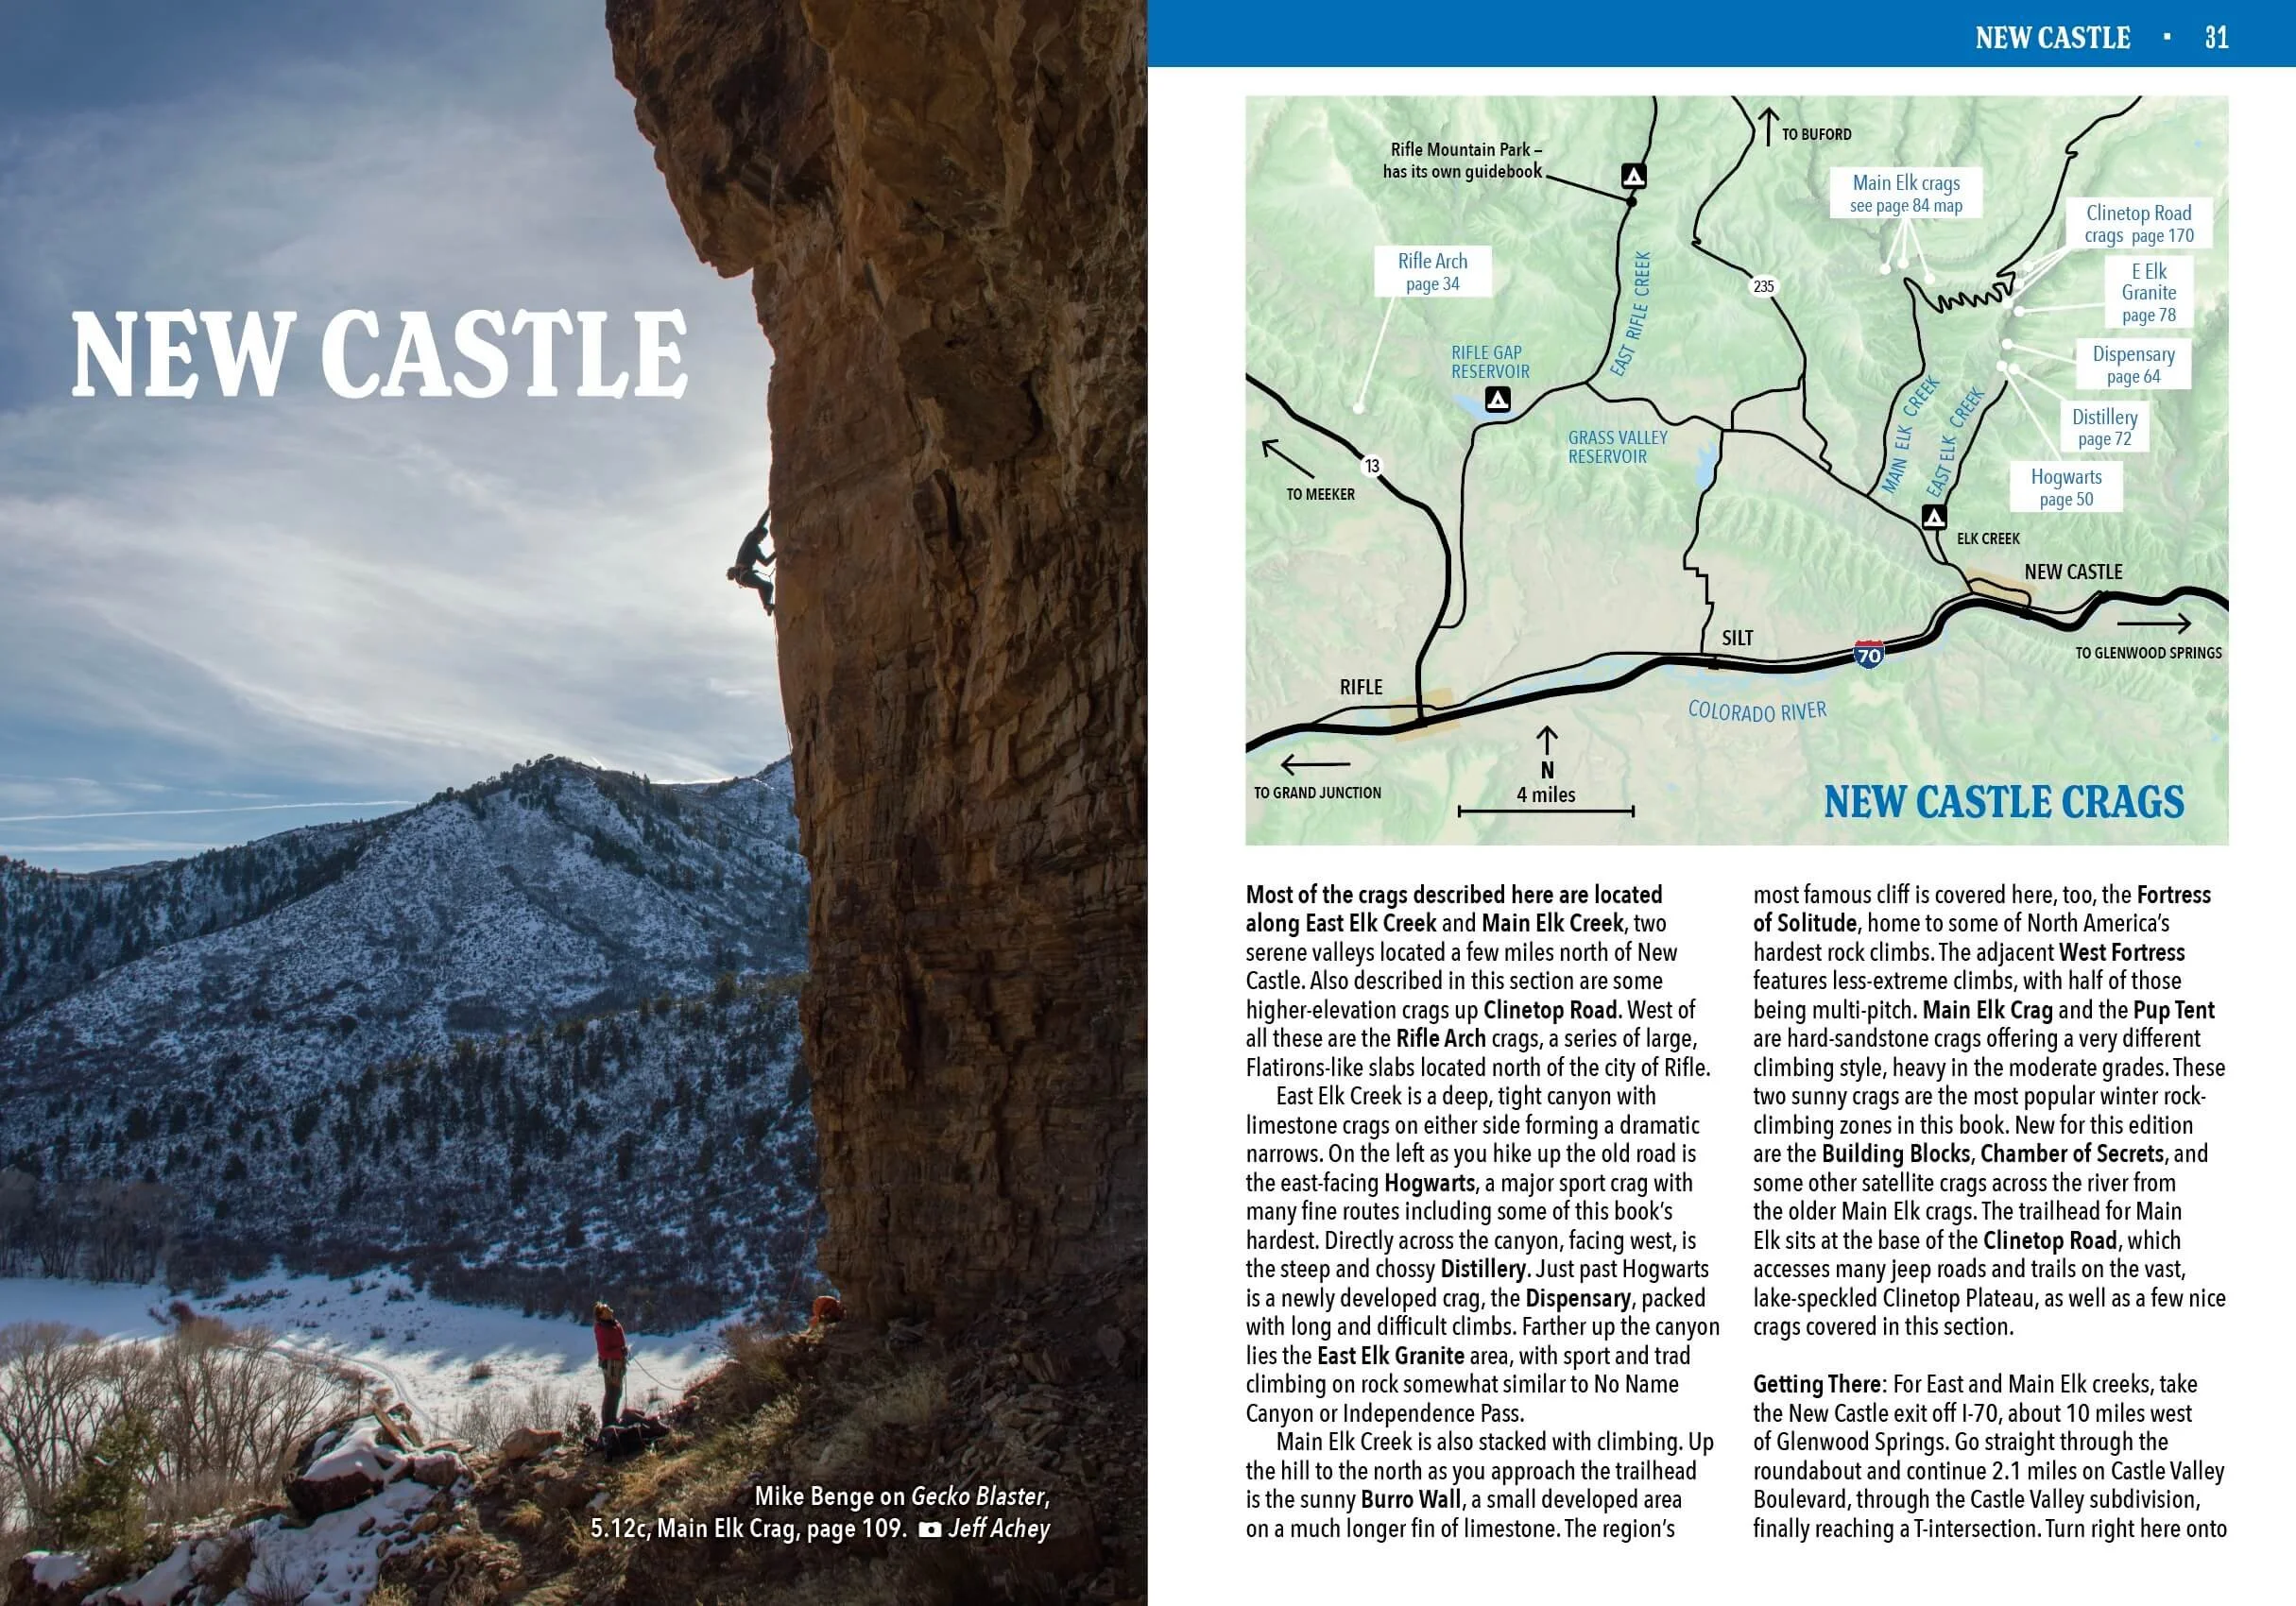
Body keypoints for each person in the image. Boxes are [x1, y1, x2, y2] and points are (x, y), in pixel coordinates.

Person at [728, 509, 776, 615]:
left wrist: (776, 553)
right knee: (765, 586)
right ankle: (767, 605)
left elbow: (766, 562)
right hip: (744, 575)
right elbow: (760, 523)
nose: (762, 540)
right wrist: (768, 510)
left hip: (744, 575)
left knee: (768, 586)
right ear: (758, 534)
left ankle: (767, 606)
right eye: (763, 537)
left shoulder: (756, 549)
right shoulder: (749, 540)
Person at [593, 1301, 628, 1427]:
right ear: (601, 1315)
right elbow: (603, 1352)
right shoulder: (603, 1329)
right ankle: (608, 1421)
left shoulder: (612, 1323)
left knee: (616, 1391)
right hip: (611, 1364)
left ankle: (611, 1419)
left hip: (617, 1362)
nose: (609, 1309)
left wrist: (622, 1351)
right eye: (606, 1309)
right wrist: (620, 1351)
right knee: (612, 1392)